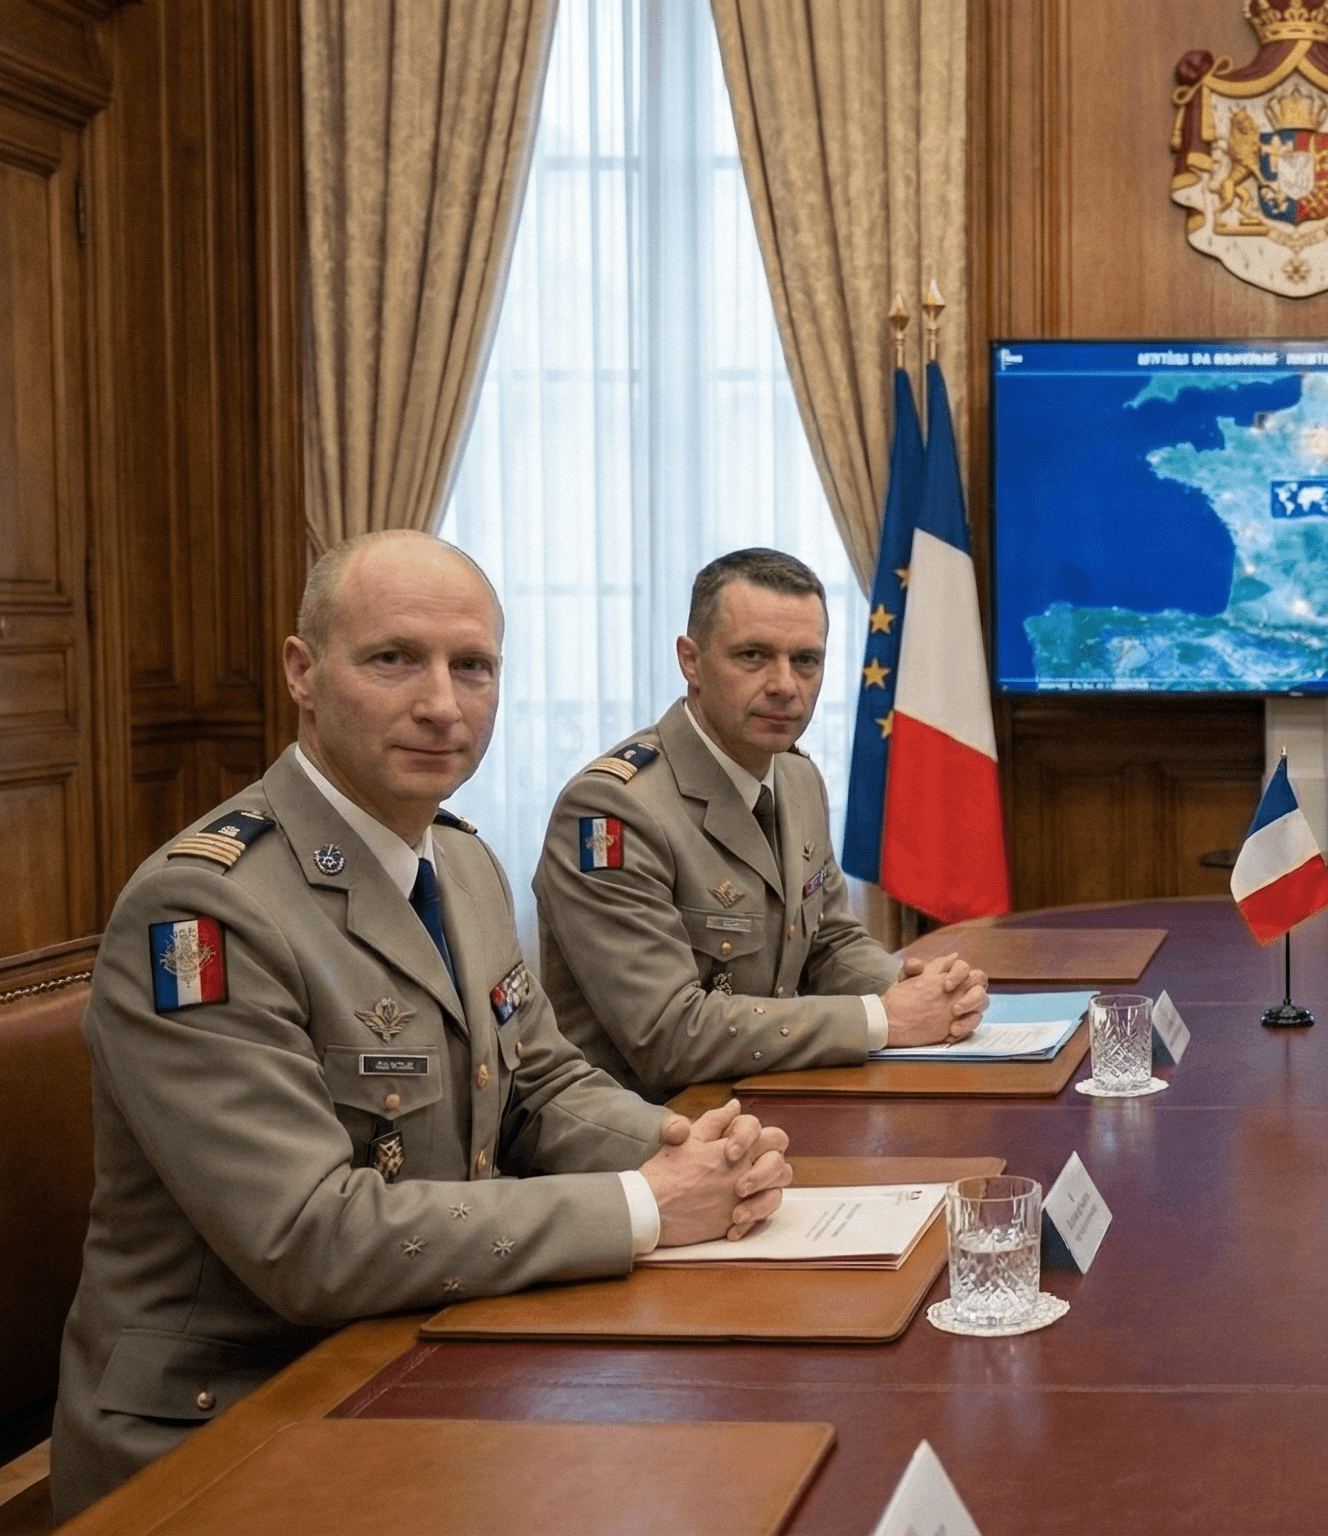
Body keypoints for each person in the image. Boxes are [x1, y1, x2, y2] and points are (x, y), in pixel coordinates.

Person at [54, 532, 795, 1518]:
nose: (442, 704)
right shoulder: (204, 914)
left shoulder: (460, 863)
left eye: (472, 666)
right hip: (233, 1427)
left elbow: (537, 1085)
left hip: (420, 1352)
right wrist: (648, 1205)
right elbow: (311, 1240)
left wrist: (687, 1147)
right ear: (303, 674)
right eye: (393, 658)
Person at [534, 548, 985, 1102]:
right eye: (753, 656)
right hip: (653, 1136)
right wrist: (883, 1019)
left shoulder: (796, 777)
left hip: (774, 1098)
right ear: (691, 660)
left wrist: (924, 991)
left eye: (806, 660)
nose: (784, 685)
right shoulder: (612, 808)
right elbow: (669, 1033)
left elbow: (830, 942)